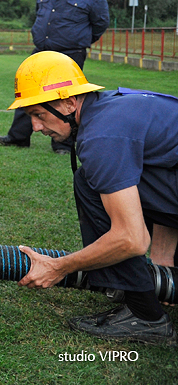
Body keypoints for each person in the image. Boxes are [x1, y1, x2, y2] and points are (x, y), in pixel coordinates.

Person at [11, 51, 177, 345]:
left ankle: (145, 316)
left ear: (69, 103)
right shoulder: (113, 107)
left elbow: (132, 239)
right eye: (30, 117)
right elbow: (165, 167)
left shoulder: (102, 135)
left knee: (88, 182)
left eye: (39, 114)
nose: (35, 128)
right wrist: (164, 263)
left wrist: (58, 267)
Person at [0, 0, 109, 154]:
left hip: (70, 54)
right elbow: (39, 15)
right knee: (28, 93)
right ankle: (18, 137)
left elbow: (100, 23)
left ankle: (63, 144)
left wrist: (79, 40)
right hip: (41, 51)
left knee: (65, 99)